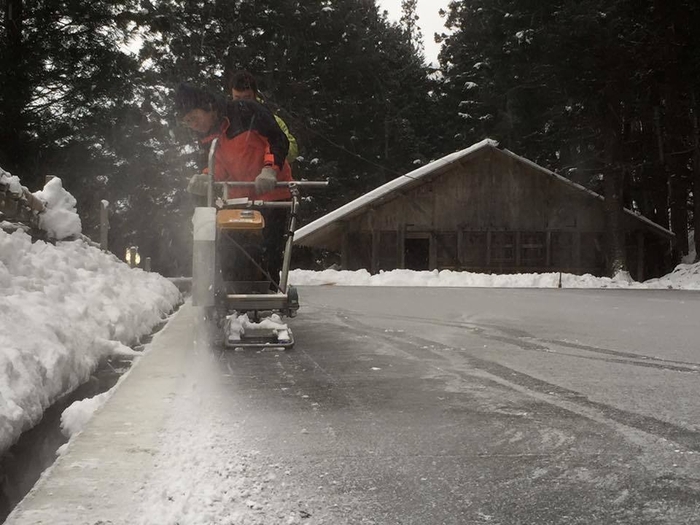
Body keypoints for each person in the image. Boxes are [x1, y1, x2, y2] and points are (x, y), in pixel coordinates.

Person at [174, 82, 293, 287]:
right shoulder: (205, 133)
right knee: (233, 249)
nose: (193, 125)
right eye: (187, 122)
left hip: (272, 193)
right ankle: (231, 293)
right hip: (238, 196)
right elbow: (217, 163)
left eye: (193, 118)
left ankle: (269, 294)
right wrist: (207, 176)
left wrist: (269, 169)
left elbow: (277, 139)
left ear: (209, 107)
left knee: (268, 250)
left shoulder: (246, 112)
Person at [226, 70, 299, 163]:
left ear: (255, 95)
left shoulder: (271, 120)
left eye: (246, 98)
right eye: (237, 98)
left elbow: (291, 152)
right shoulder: (226, 122)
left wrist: (270, 147)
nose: (242, 103)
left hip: (267, 172)